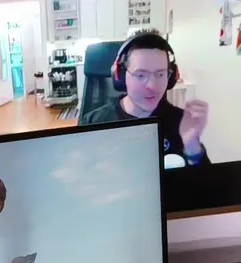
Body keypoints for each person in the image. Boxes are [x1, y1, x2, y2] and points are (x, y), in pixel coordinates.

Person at [81, 32, 211, 167]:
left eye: (160, 74)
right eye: (141, 75)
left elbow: (206, 180)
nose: (152, 86)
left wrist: (192, 146)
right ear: (121, 76)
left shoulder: (182, 123)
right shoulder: (93, 124)